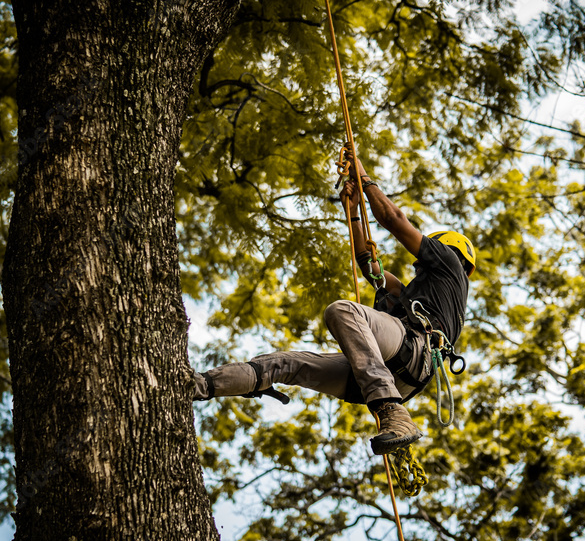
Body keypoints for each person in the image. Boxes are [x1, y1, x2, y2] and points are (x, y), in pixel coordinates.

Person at [193, 153, 474, 455]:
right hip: (399, 375)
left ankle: (391, 410)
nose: (418, 263)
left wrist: (364, 177)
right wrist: (352, 211)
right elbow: (369, 265)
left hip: (409, 355)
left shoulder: (448, 263)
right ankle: (200, 385)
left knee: (343, 310)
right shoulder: (420, 297)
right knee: (284, 364)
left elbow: (394, 219)